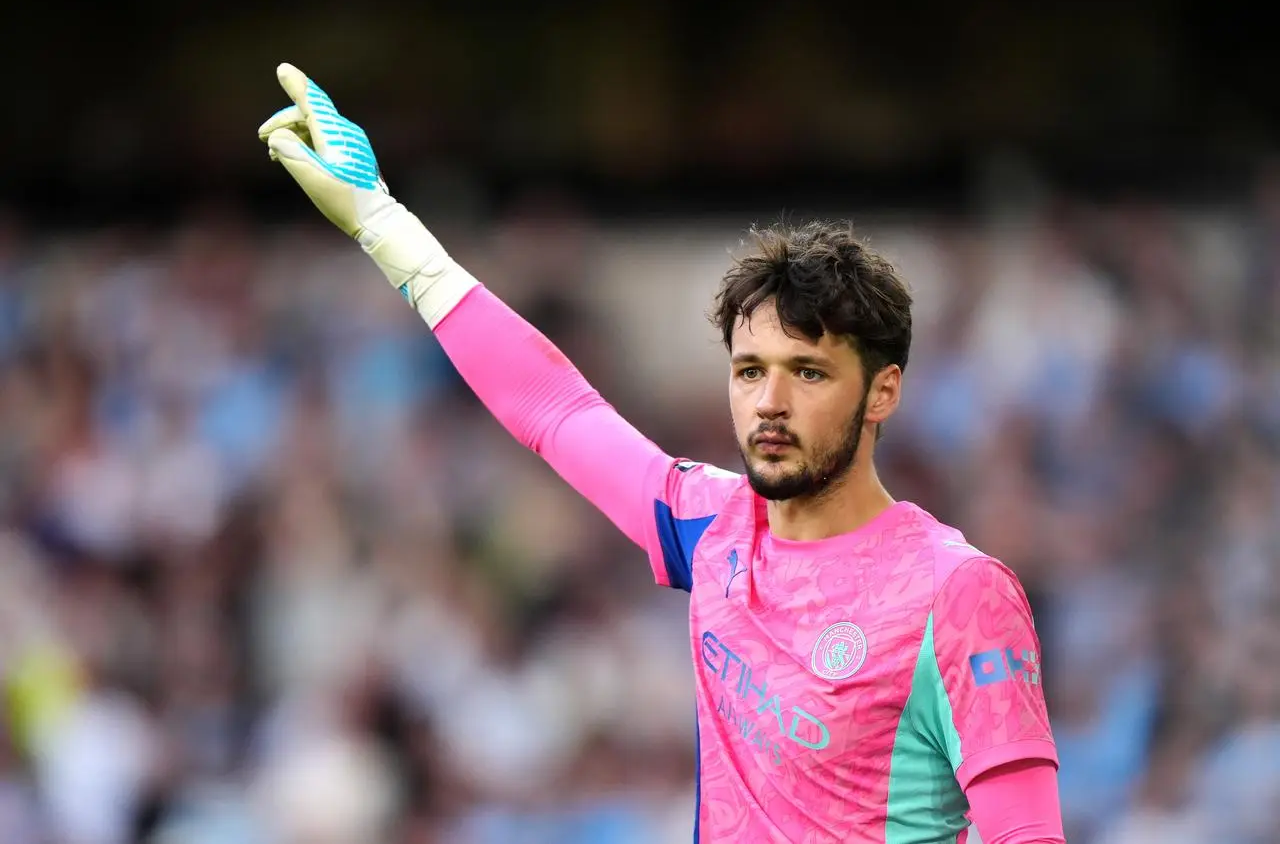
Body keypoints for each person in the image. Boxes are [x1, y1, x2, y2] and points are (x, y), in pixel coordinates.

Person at [258, 62, 1065, 843]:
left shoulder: (958, 593)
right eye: (750, 371)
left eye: (808, 373)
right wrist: (383, 222)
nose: (770, 403)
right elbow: (552, 407)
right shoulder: (710, 527)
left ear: (882, 392)